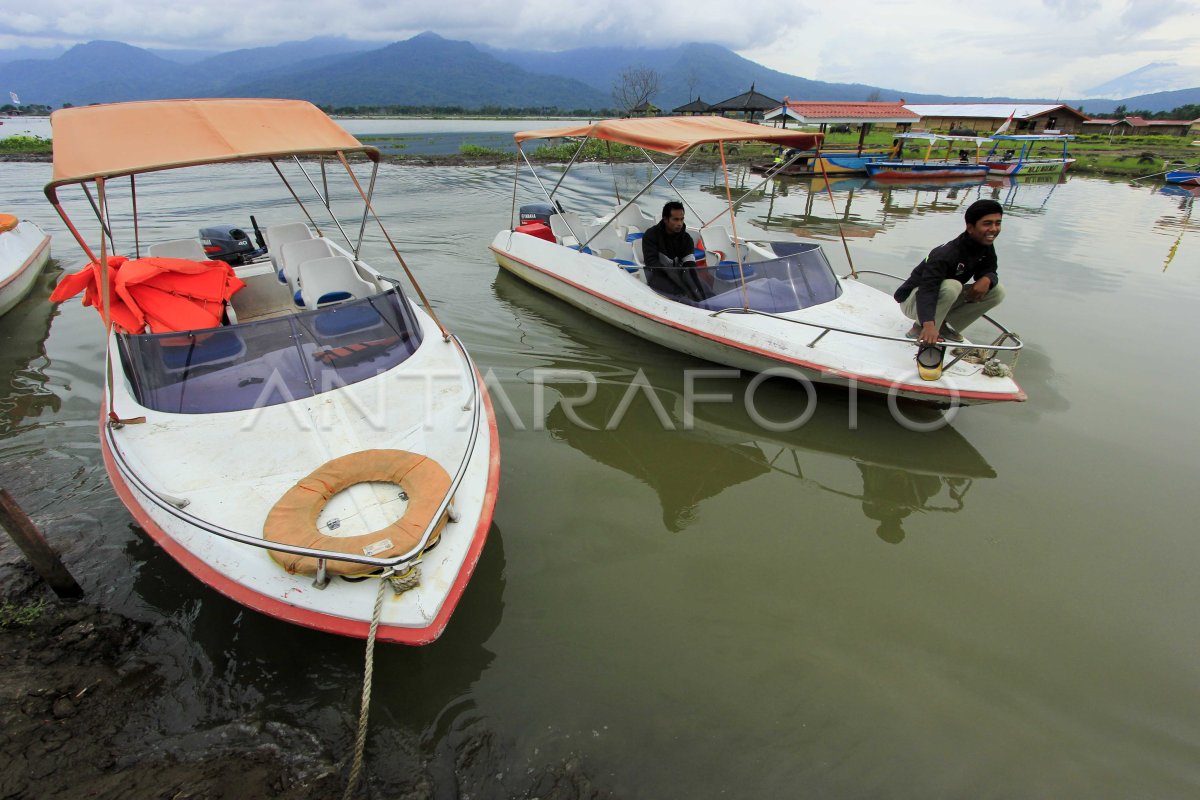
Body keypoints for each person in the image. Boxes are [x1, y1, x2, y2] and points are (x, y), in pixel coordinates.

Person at [894, 198, 1007, 346]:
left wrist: (987, 278)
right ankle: (920, 328)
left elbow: (990, 270)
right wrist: (928, 324)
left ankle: (943, 325)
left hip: (940, 298)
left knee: (997, 291)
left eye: (997, 223)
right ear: (970, 227)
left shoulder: (985, 246)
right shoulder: (946, 254)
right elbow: (928, 289)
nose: (993, 229)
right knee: (952, 286)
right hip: (913, 301)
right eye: (987, 223)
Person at [640, 201, 709, 302]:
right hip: (657, 276)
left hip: (678, 275)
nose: (680, 224)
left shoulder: (686, 239)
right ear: (665, 219)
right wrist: (677, 280)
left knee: (705, 291)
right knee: (682, 295)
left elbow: (689, 265)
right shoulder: (651, 235)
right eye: (675, 220)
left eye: (681, 219)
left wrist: (697, 287)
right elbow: (652, 264)